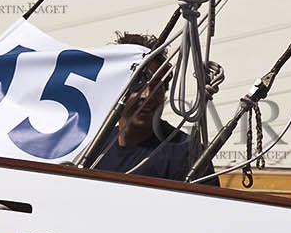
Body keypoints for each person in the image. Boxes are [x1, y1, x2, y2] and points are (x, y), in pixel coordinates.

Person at [93, 33, 218, 186]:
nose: (147, 95)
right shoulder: (93, 148)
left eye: (157, 84)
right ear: (116, 88)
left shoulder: (187, 154)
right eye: (138, 83)